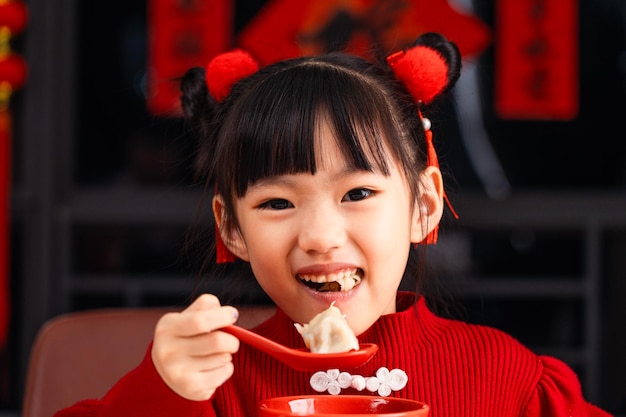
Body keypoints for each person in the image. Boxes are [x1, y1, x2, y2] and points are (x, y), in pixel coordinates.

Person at [54, 33, 611, 417]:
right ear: (232, 228)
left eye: (358, 193)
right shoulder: (211, 387)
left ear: (424, 205)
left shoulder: (503, 377)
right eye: (277, 203)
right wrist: (160, 391)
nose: (320, 236)